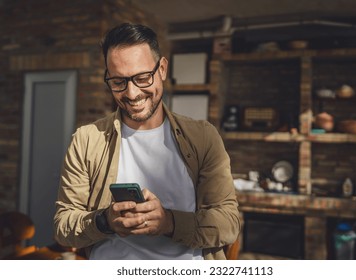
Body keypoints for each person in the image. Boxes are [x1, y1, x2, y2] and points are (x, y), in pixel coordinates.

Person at [53, 22, 240, 260]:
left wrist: (169, 223)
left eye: (142, 77)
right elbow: (63, 226)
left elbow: (230, 223)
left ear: (162, 69)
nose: (132, 94)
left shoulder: (203, 137)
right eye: (118, 82)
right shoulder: (86, 140)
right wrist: (105, 220)